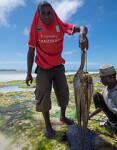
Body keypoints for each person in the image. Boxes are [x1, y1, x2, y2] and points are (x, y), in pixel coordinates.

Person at [25, 1, 88, 138]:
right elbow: (30, 52)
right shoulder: (35, 28)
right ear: (39, 14)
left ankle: (63, 117)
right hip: (42, 67)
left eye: (49, 13)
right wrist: (29, 73)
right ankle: (48, 125)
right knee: (43, 97)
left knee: (63, 93)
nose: (47, 16)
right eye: (44, 13)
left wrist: (82, 35)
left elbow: (82, 27)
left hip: (58, 66)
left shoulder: (60, 25)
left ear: (53, 13)